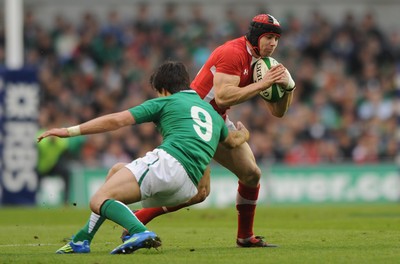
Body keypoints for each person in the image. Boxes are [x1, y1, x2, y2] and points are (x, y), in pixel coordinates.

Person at [37, 61, 252, 254]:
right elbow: (233, 142)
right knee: (116, 172)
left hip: (169, 164)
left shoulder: (166, 102)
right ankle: (82, 240)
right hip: (186, 187)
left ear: (163, 90)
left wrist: (70, 131)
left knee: (97, 200)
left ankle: (140, 232)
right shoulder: (213, 114)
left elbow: (117, 121)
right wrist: (245, 133)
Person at [120, 13, 295, 247]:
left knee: (251, 174)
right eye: (268, 37)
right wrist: (264, 84)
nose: (273, 43)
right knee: (200, 192)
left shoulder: (261, 64)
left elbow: (278, 112)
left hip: (215, 118)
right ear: (255, 36)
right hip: (194, 119)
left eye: (276, 38)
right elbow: (222, 96)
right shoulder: (233, 52)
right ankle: (137, 217)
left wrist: (289, 87)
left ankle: (244, 237)